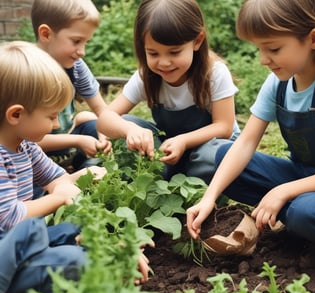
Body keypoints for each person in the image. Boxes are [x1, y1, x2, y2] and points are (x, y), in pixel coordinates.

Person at [186, 0, 315, 291]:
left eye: (273, 49)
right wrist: (210, 197)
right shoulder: (280, 82)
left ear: (314, 38)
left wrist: (283, 190)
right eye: (259, 48)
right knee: (221, 157)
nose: (263, 59)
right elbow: (245, 142)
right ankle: (305, 216)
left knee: (304, 212)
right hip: (309, 176)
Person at [0, 41, 149, 293]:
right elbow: (11, 218)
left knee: (75, 229)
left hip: (21, 246)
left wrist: (106, 238)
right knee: (69, 258)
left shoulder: (25, 147)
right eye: (51, 116)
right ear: (16, 115)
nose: (58, 124)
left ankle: (103, 260)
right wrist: (59, 196)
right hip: (6, 254)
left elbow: (58, 179)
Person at [97, 0, 241, 184]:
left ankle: (200, 192)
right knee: (126, 123)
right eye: (154, 54)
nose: (164, 63)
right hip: (170, 146)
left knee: (211, 156)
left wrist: (184, 141)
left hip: (211, 145)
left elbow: (224, 127)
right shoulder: (146, 77)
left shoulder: (214, 74)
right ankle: (154, 186)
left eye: (174, 52)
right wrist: (130, 130)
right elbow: (104, 119)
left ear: (197, 41)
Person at [30, 0, 112, 175]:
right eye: (76, 41)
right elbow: (22, 141)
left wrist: (104, 136)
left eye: (85, 43)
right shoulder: (27, 72)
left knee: (93, 123)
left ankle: (86, 172)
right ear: (46, 34)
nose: (82, 51)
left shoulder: (75, 66)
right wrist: (77, 140)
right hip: (36, 150)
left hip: (67, 142)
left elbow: (101, 109)